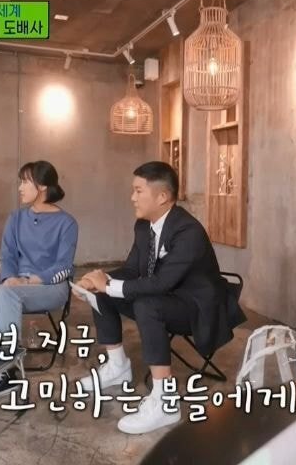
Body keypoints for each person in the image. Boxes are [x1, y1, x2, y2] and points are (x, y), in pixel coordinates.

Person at [76, 161, 232, 434]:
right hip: (167, 297)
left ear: (162, 197)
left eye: (138, 191)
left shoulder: (189, 231)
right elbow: (132, 270)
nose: (132, 197)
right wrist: (99, 280)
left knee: (147, 304)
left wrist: (109, 285)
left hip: (196, 307)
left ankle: (165, 401)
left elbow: (162, 283)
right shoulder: (143, 225)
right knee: (102, 294)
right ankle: (117, 367)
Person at [0, 161, 78, 396]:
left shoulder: (67, 223)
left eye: (25, 182)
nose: (20, 187)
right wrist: (9, 278)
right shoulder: (16, 218)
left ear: (42, 186)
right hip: (17, 286)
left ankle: (5, 367)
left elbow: (64, 266)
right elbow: (7, 255)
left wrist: (31, 281)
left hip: (51, 287)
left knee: (7, 295)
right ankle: (2, 365)